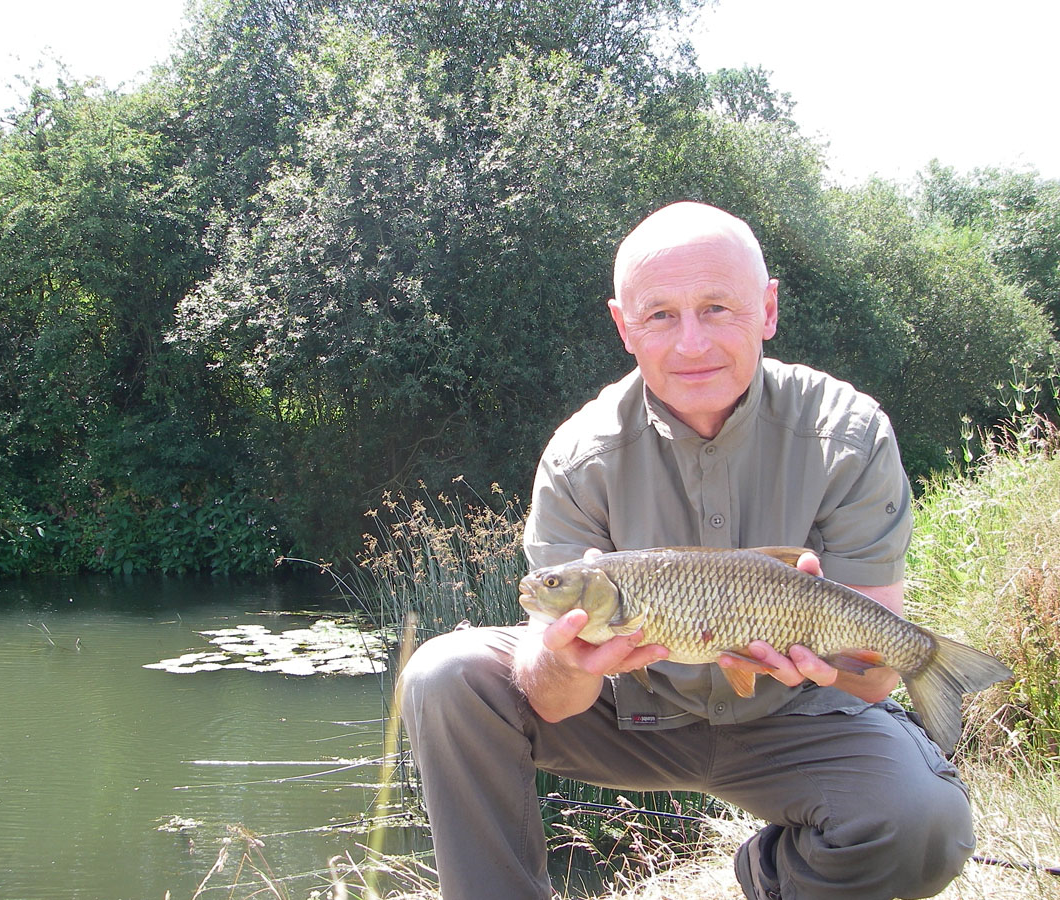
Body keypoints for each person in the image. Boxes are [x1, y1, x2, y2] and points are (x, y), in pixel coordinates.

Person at [398, 201, 975, 900]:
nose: (692, 343)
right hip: (630, 714)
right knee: (444, 673)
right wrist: (566, 660)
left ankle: (769, 874)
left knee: (926, 824)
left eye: (718, 308)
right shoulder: (581, 456)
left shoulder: (848, 433)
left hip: (798, 720)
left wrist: (824, 658)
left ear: (766, 310)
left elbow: (874, 680)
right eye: (661, 315)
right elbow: (552, 701)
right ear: (623, 327)